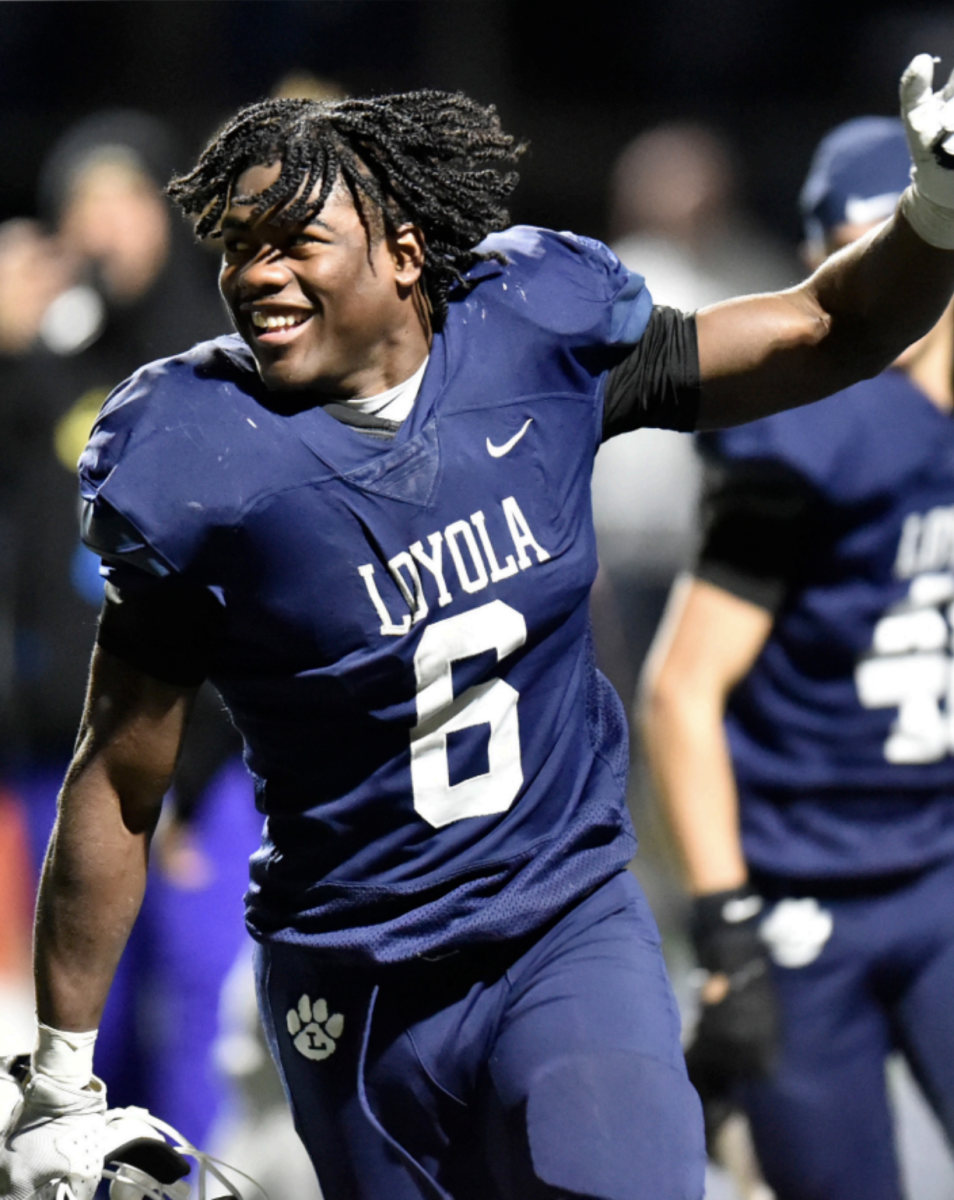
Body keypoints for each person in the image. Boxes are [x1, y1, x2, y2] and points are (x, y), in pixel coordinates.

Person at [4, 57, 954, 1200]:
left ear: (405, 253)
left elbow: (826, 324)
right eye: (237, 249)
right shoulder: (198, 454)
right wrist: (58, 1079)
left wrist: (934, 213)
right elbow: (116, 780)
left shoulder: (531, 339)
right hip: (353, 976)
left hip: (557, 925)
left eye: (295, 242)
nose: (257, 275)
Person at [640, 115, 954, 1200]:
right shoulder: (817, 433)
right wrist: (728, 935)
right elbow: (683, 691)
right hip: (810, 887)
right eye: (864, 252)